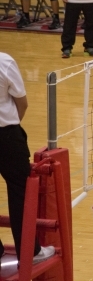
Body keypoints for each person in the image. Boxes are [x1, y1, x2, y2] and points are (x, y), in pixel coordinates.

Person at [0, 52, 55, 264]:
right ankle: (29, 252)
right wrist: (12, 127)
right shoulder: (4, 61)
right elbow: (22, 103)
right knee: (19, 192)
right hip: (6, 135)